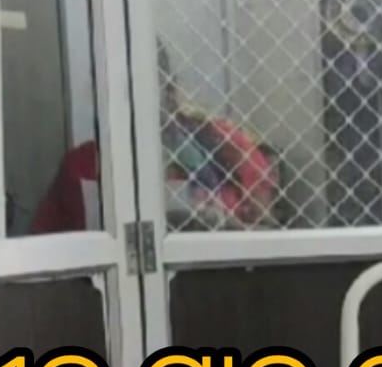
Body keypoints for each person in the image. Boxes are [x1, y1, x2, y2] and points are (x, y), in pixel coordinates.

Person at [31, 42, 276, 234]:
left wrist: (223, 223)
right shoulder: (83, 165)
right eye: (116, 88)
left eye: (142, 83)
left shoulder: (225, 144)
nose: (130, 99)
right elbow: (48, 251)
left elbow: (266, 235)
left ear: (169, 87)